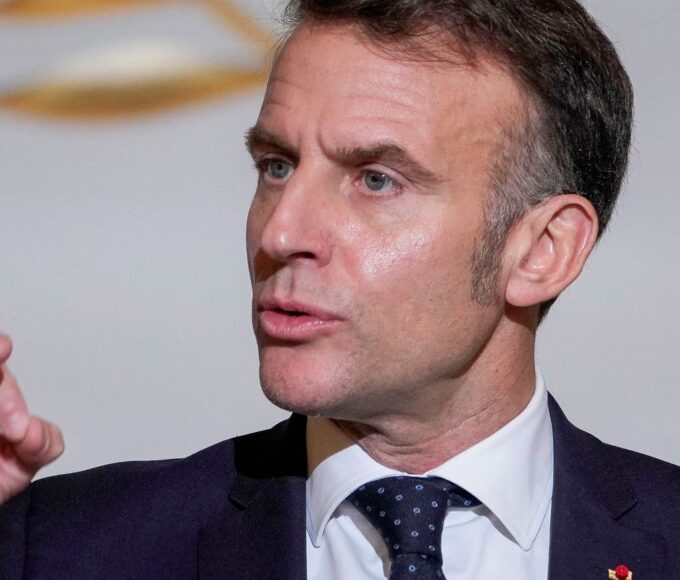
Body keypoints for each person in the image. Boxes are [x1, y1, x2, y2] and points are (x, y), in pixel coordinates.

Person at [1, 0, 679, 578]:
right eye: (277, 166)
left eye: (377, 179)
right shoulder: (62, 548)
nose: (280, 232)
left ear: (542, 251)